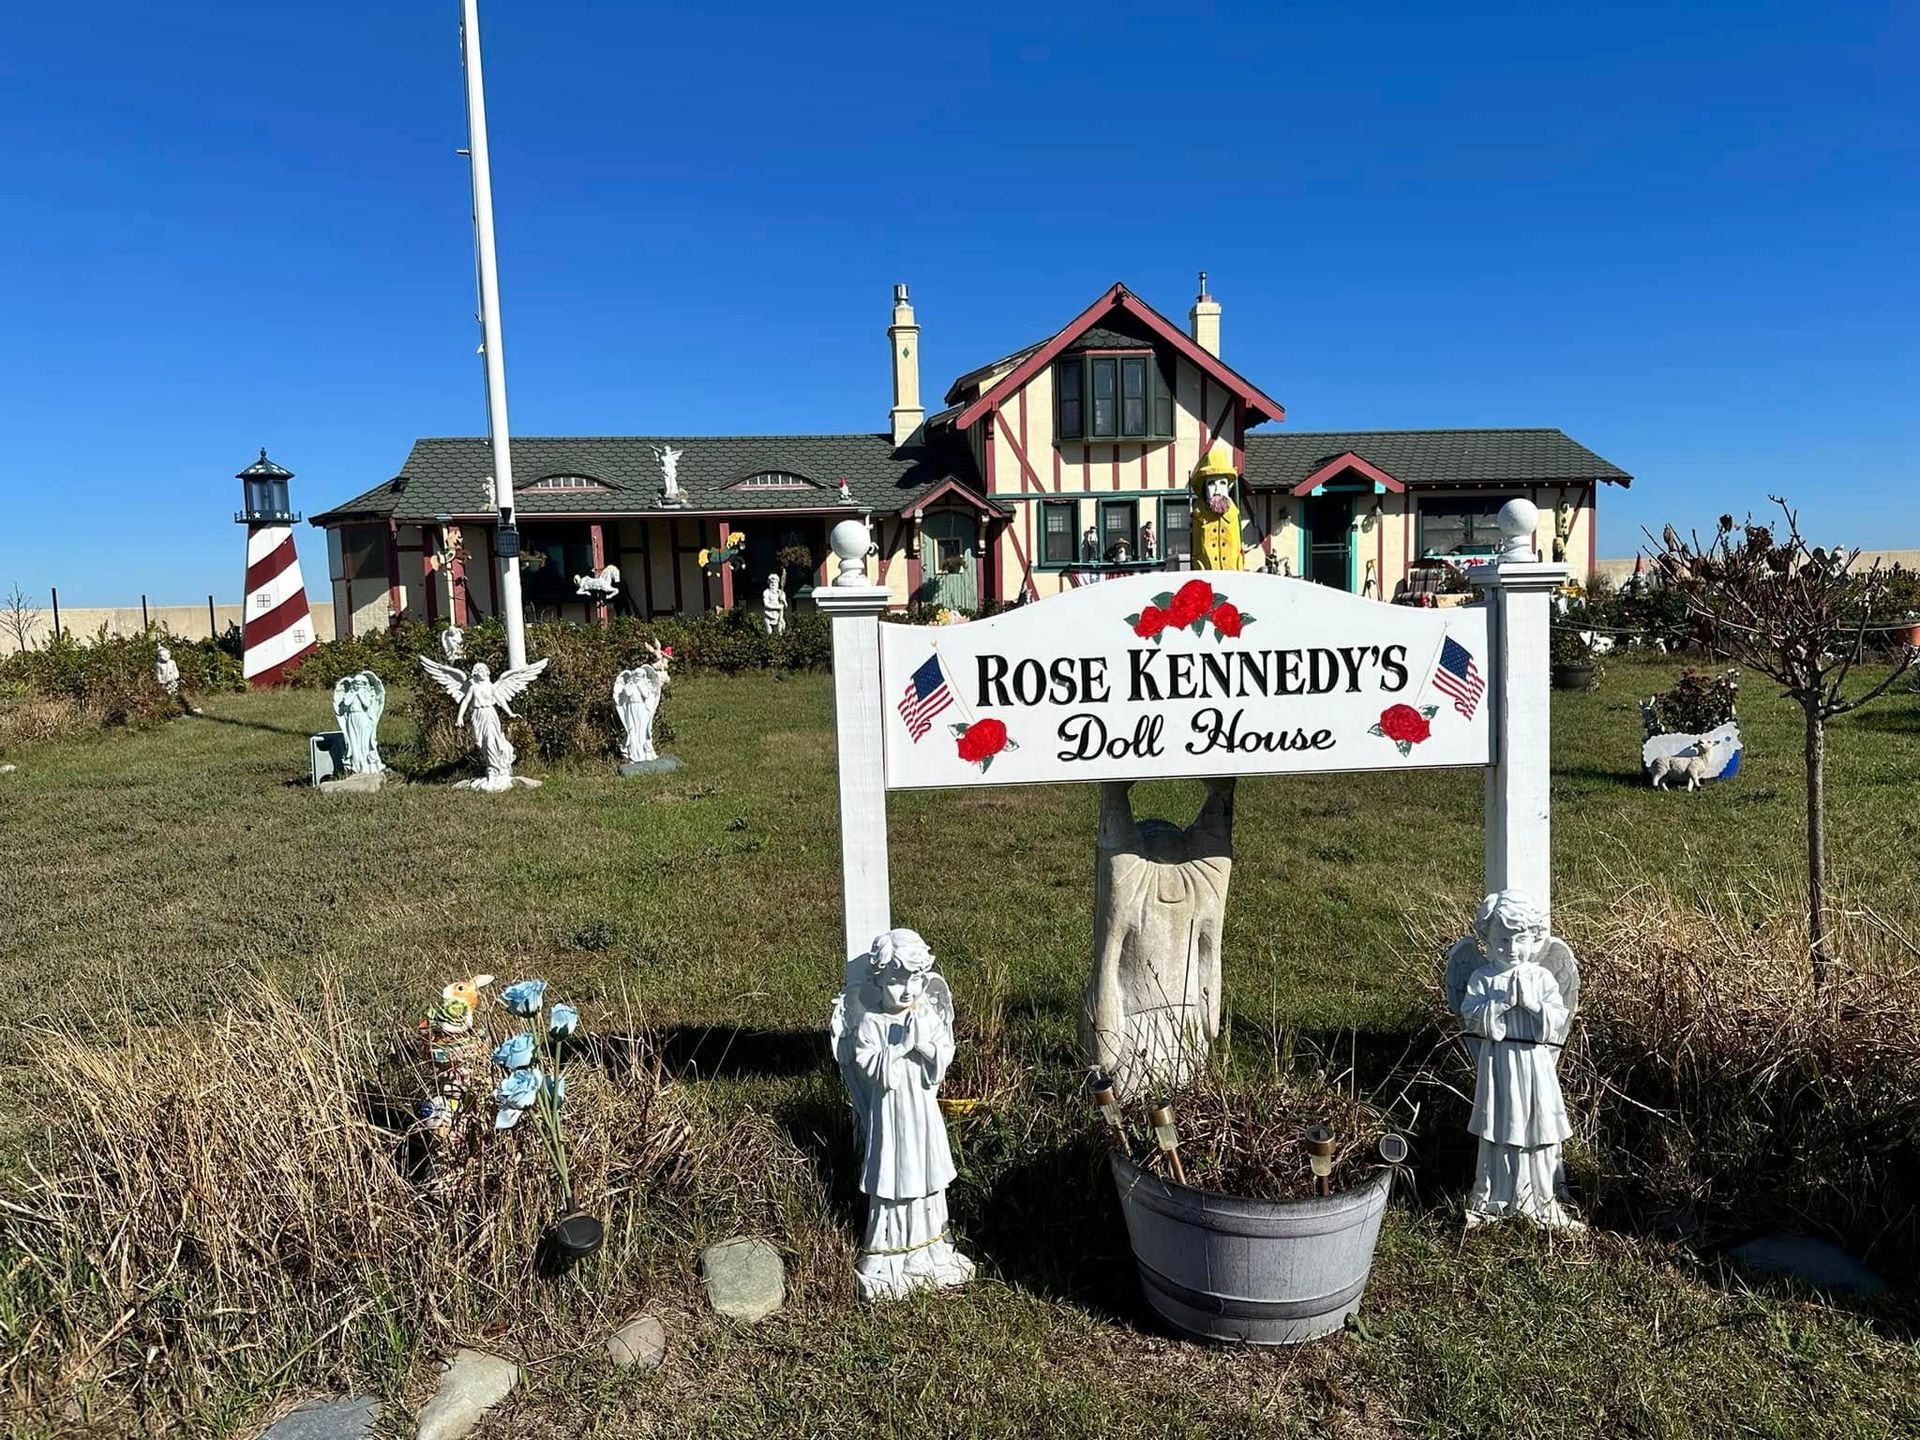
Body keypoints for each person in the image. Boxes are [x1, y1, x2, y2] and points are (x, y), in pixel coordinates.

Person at [831, 929, 975, 1299]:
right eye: (897, 981)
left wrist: (923, 1045)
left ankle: (928, 1251)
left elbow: (940, 1061)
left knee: (927, 1175)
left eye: (914, 980)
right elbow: (874, 1073)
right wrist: (901, 1047)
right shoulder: (870, 1025)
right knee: (896, 1177)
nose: (908, 990)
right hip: (892, 1118)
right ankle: (887, 1256)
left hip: (923, 1116)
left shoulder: (924, 1015)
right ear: (878, 981)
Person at [1449, 890, 1581, 1227]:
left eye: (1519, 939)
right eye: (1502, 939)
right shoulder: (1483, 978)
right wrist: (1502, 1004)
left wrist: (1535, 1007)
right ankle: (1495, 1194)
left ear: (1533, 938)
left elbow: (1558, 1020)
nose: (1511, 948)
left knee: (1535, 1125)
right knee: (1502, 1124)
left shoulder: (1542, 977)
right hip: (1500, 1065)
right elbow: (1472, 1020)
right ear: (1488, 940)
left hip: (1535, 1066)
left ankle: (1541, 1195)